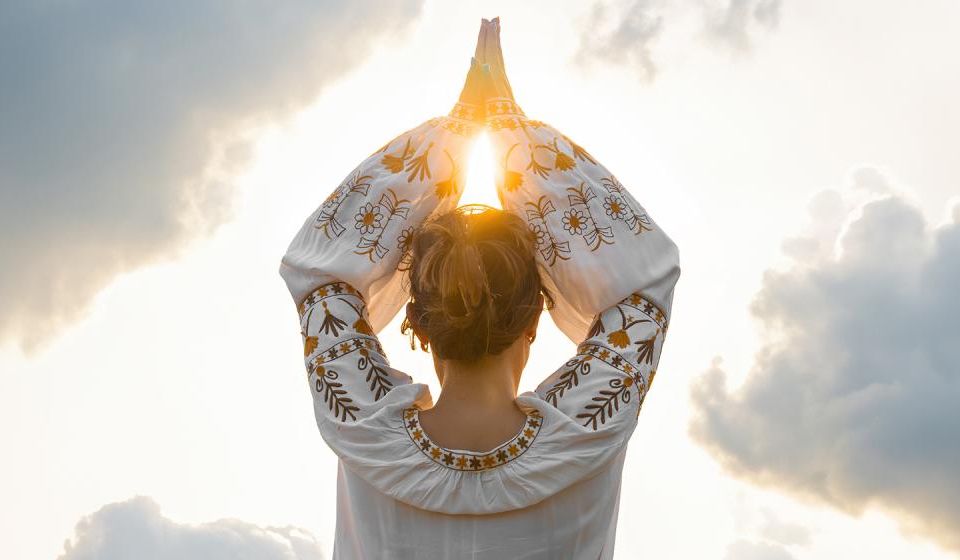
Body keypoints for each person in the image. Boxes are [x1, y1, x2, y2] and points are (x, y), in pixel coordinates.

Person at [279, 17, 680, 559]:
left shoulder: (361, 426)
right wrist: (516, 140)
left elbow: (321, 269)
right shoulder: (587, 431)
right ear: (538, 314)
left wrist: (456, 132)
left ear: (415, 323)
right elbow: (645, 279)